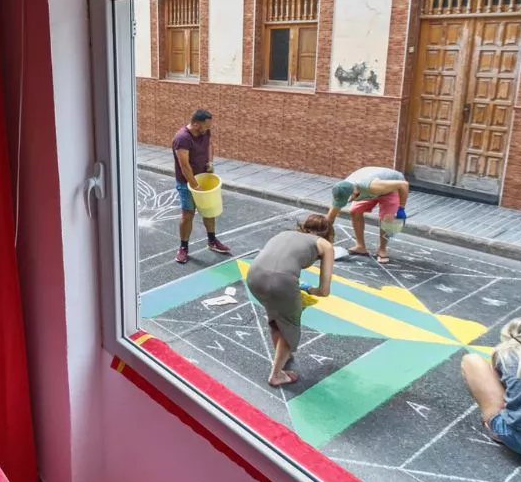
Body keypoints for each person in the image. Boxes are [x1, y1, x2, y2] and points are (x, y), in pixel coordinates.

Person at [245, 215, 335, 387]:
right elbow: (324, 291)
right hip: (281, 282)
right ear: (328, 234)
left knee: (275, 314)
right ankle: (276, 375)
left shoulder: (284, 234)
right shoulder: (325, 245)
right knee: (290, 326)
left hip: (254, 276)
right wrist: (308, 290)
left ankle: (284, 355)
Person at [461, 317, 521, 459]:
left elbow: (503, 397)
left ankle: (498, 430)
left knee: (472, 361)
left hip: (520, 439)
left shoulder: (507, 352)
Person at [172, 109, 231, 263]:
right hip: (187, 183)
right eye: (206, 125)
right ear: (196, 124)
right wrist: (194, 185)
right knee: (188, 214)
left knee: (209, 211)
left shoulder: (205, 132)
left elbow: (210, 146)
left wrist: (210, 162)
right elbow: (184, 166)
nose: (208, 128)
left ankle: (212, 241)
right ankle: (183, 247)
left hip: (204, 176)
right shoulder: (182, 138)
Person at [326, 166, 410, 265]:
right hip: (369, 189)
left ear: (355, 192)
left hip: (391, 188)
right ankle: (360, 246)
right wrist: (324, 241)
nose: (348, 201)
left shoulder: (373, 186)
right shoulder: (341, 189)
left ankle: (382, 249)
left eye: (349, 198)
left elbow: (404, 185)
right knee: (354, 211)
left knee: (387, 219)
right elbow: (330, 217)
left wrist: (401, 208)